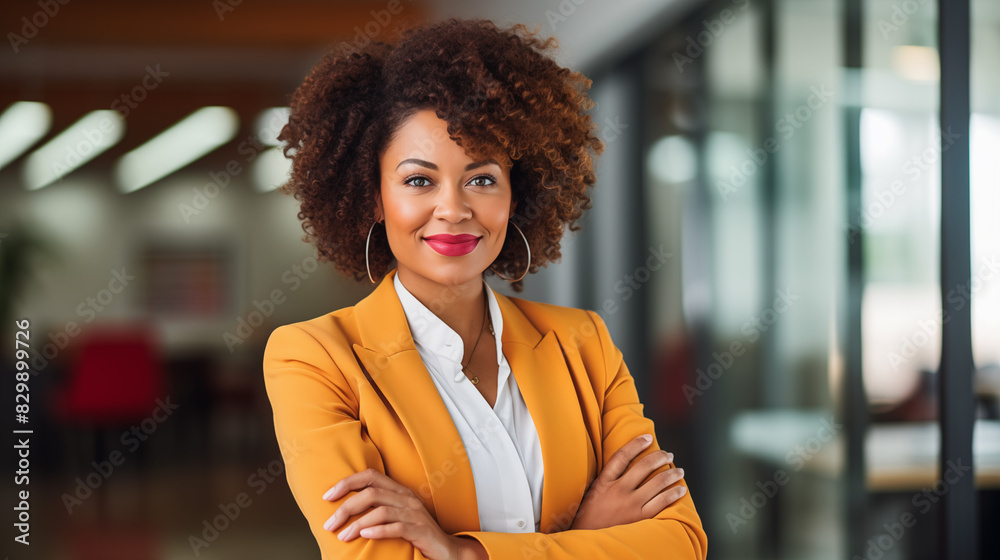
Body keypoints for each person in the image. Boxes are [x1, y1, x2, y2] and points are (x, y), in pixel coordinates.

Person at [262, 17, 708, 560]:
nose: (453, 210)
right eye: (419, 180)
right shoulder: (314, 358)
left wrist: (462, 553)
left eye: (481, 178)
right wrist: (586, 539)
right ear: (373, 198)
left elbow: (680, 541)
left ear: (514, 195)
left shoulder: (583, 343)